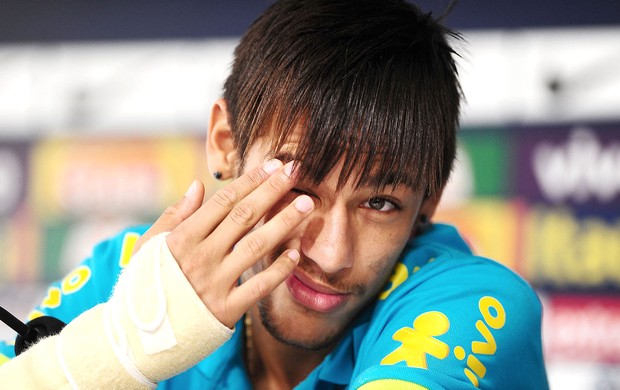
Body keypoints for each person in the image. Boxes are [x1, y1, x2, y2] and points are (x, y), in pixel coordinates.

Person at [0, 0, 549, 388]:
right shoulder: (129, 271)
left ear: (428, 203)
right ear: (224, 145)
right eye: (297, 188)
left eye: (380, 203)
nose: (331, 254)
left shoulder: (474, 301)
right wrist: (118, 347)